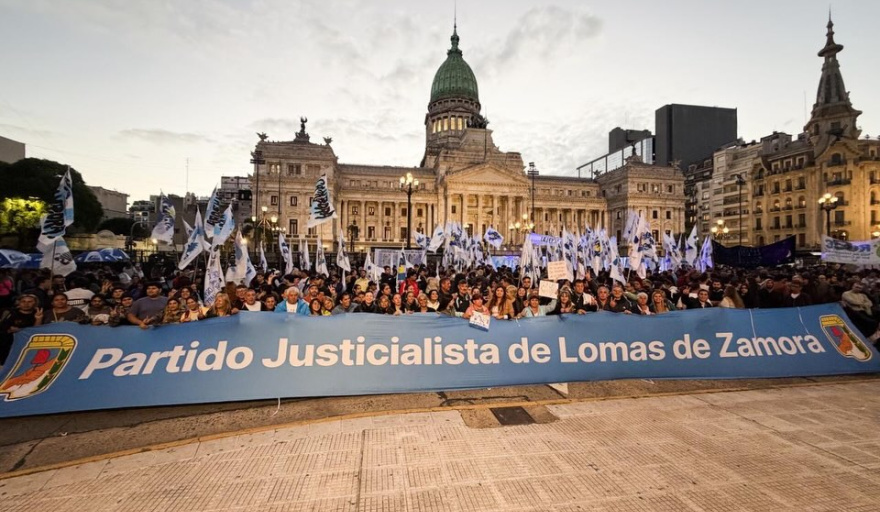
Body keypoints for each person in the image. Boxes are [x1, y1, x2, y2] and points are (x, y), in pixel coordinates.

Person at [0, 294, 43, 365]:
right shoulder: (10, 313)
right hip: (7, 346)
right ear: (19, 303)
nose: (26, 304)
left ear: (35, 303)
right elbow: (4, 328)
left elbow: (36, 332)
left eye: (30, 301)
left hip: (26, 346)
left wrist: (38, 319)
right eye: (23, 301)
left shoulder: (38, 314)